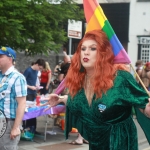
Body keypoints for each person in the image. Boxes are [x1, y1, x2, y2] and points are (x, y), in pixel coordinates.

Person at [47, 30, 150, 150]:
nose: (86, 53)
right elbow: (79, 101)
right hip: (97, 143)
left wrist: (147, 108)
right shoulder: (80, 80)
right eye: (83, 49)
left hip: (119, 142)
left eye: (92, 49)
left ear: (103, 53)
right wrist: (61, 99)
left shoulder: (120, 78)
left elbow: (143, 104)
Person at [0, 46, 27, 150]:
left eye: (1, 56)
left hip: (8, 123)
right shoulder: (1, 75)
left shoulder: (17, 77)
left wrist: (16, 127)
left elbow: (22, 104)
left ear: (10, 59)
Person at [23, 59, 45, 131]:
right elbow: (22, 82)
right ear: (36, 64)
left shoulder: (36, 71)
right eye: (40, 68)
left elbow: (34, 81)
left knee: (33, 111)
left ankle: (33, 128)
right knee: (28, 111)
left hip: (33, 93)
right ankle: (26, 128)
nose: (40, 70)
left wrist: (36, 86)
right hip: (28, 93)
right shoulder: (28, 70)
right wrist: (30, 87)